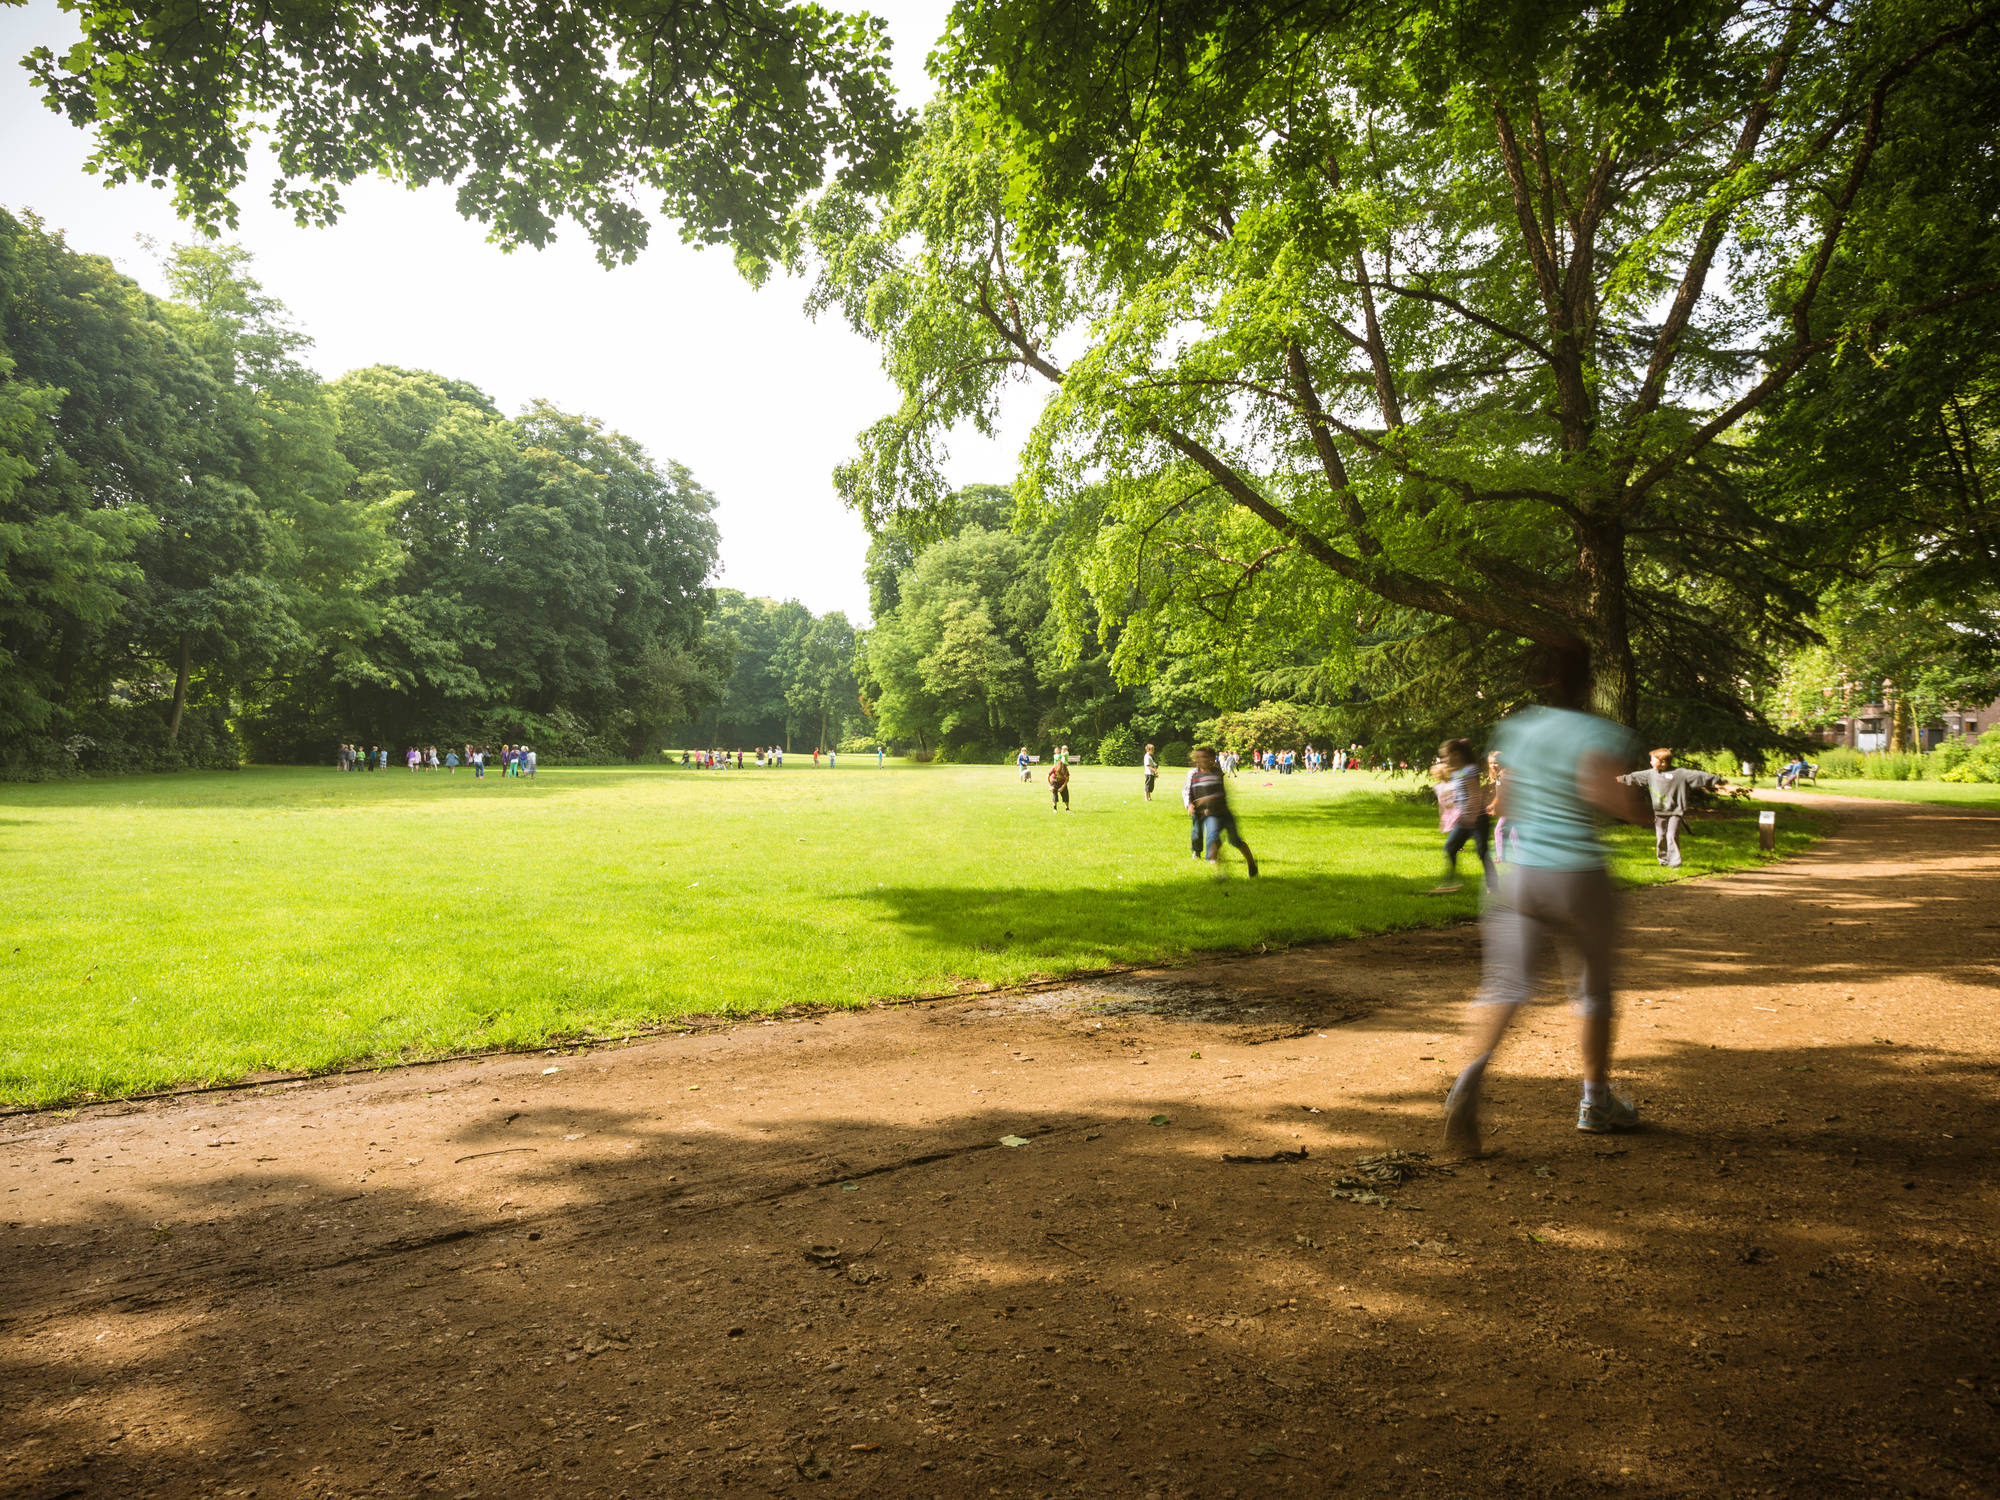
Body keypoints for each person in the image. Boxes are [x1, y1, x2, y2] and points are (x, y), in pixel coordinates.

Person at [1442, 651, 1646, 1155]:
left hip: (1521, 877)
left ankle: (1468, 1081)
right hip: (1578, 875)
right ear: (1587, 683)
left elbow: (1504, 800)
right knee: (1593, 988)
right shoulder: (1598, 733)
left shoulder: (1517, 729)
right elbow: (1615, 802)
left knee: (1506, 985)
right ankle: (1595, 1103)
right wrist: (1641, 803)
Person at [1617, 748, 1737, 868]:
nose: (1650, 762)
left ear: (1663, 762)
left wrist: (1720, 780)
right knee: (1661, 837)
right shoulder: (1650, 774)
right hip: (1659, 812)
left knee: (1672, 836)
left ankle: (1675, 863)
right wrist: (1619, 779)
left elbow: (1701, 776)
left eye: (1653, 760)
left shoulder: (1681, 774)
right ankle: (1663, 861)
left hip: (1675, 812)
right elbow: (1634, 776)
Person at [1427, 738, 1496, 895]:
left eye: (1445, 756)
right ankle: (1451, 882)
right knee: (1450, 847)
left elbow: (1475, 795)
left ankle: (1492, 886)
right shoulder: (1456, 773)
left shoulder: (1470, 770)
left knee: (1482, 852)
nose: (1444, 760)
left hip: (1478, 819)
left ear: (1456, 754)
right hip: (1464, 819)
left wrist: (1470, 817)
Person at [1188, 745, 1258, 876]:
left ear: (1211, 759)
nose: (1200, 760)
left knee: (1236, 841)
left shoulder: (1217, 773)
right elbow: (1192, 793)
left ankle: (1251, 864)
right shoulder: (1195, 775)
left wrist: (1206, 800)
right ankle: (1221, 873)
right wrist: (1191, 805)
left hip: (1224, 814)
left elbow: (1221, 794)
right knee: (1213, 840)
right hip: (1212, 816)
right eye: (1198, 757)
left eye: (1204, 757)